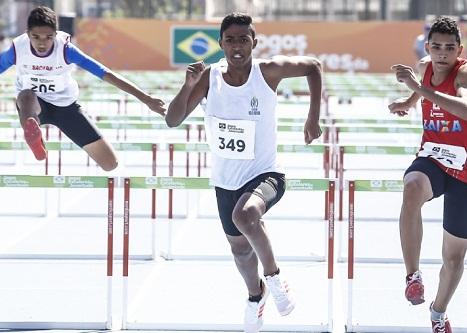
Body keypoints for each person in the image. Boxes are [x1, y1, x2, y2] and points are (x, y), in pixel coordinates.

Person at [165, 12, 322, 333]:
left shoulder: (267, 72)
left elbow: (313, 66)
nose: (237, 46)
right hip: (225, 181)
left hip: (266, 174)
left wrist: (313, 118)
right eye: (230, 40)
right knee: (239, 249)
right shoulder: (209, 77)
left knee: (247, 215)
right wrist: (188, 86)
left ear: (254, 42)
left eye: (243, 39)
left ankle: (276, 278)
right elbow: (173, 119)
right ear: (221, 44)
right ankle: (256, 296)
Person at [389, 16, 467, 333]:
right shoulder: (425, 66)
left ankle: (438, 312)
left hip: (466, 169)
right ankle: (412, 276)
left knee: (454, 259)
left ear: (460, 49)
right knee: (412, 187)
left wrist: (417, 89)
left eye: (449, 48)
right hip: (432, 157)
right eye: (436, 47)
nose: (442, 53)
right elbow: (426, 87)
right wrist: (410, 99)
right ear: (427, 47)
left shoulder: (466, 73)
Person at [0, 6, 165, 169]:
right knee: (26, 95)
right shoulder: (17, 50)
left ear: (56, 35)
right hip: (35, 106)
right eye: (36, 37)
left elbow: (104, 73)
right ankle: (34, 137)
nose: (42, 43)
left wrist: (146, 98)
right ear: (27, 34)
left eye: (48, 37)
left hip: (65, 107)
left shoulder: (65, 50)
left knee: (110, 164)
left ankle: (35, 133)